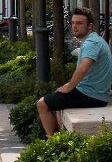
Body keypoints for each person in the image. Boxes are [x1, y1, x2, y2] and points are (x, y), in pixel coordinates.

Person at [36, 7, 111, 136]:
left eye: (80, 23)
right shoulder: (96, 40)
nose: (75, 26)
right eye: (73, 23)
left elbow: (83, 68)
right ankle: (61, 138)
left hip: (92, 96)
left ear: (90, 26)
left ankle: (53, 143)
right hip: (94, 93)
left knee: (42, 104)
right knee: (58, 103)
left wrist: (69, 86)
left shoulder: (91, 43)